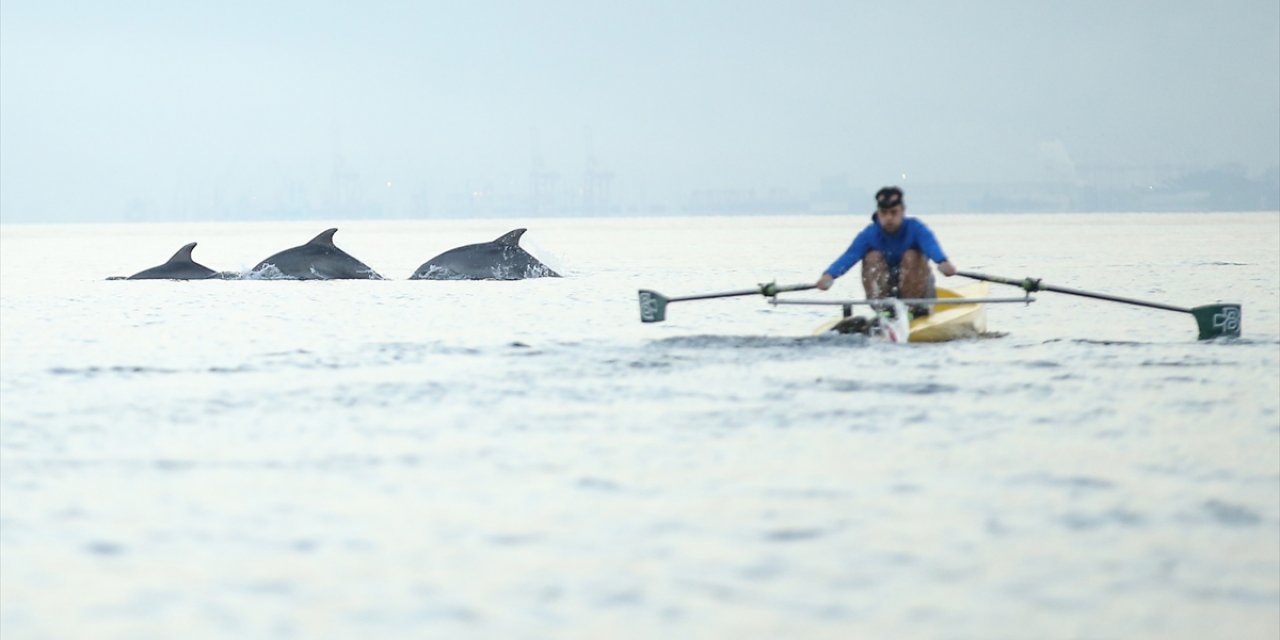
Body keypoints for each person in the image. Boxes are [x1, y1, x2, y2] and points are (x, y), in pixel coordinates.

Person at [815, 186, 957, 315]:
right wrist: (829, 275)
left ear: (903, 211)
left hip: (920, 296)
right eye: (884, 213)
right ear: (878, 213)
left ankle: (910, 310)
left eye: (893, 212)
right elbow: (850, 256)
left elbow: (931, 247)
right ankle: (884, 311)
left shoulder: (916, 229)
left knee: (911, 255)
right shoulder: (869, 234)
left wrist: (942, 262)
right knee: (872, 257)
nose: (889, 218)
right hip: (887, 293)